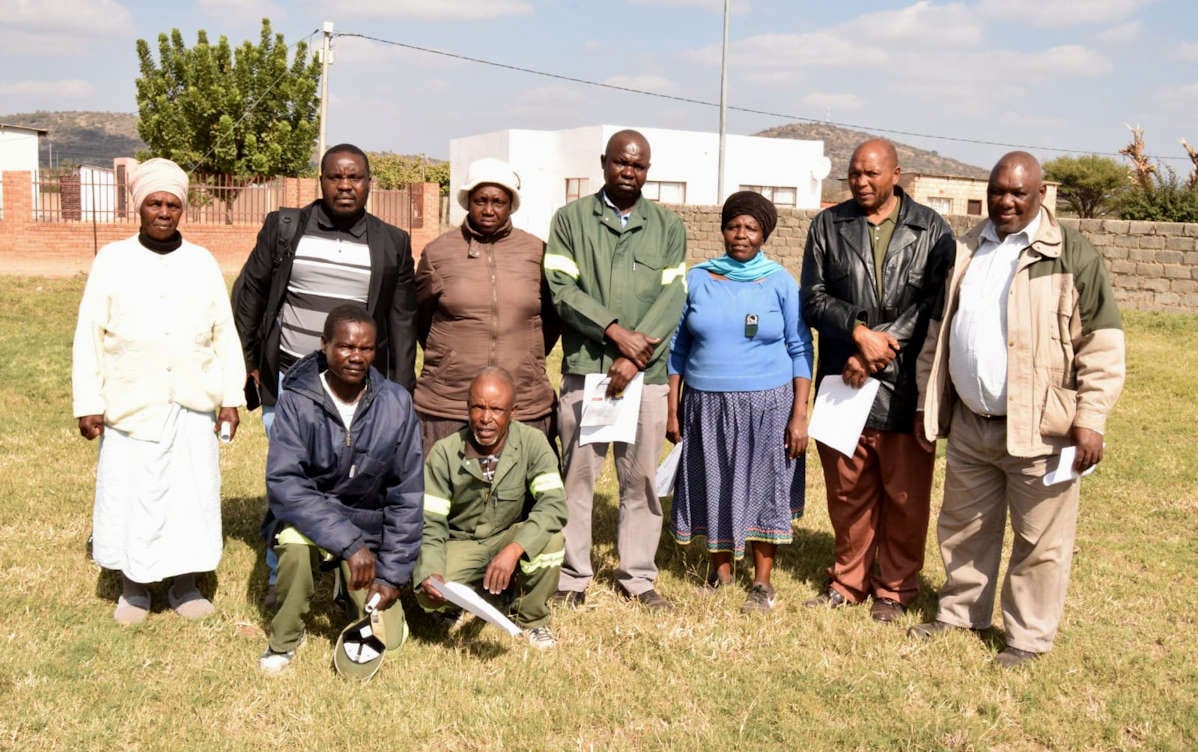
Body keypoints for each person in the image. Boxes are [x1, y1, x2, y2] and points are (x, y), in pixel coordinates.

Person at [908, 152, 1125, 667]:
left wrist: (1090, 420)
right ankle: (961, 613)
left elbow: (1101, 344)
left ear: (1040, 194)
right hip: (970, 424)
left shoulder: (1072, 255)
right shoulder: (966, 248)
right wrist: (925, 402)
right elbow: (939, 332)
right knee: (963, 527)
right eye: (998, 190)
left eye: (1018, 193)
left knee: (1040, 541)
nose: (1005, 201)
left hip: (1043, 431)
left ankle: (1026, 638)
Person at [232, 143, 418, 604]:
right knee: (291, 475)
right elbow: (250, 295)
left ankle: (347, 566)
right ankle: (282, 572)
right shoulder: (285, 228)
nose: (345, 186)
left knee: (356, 479)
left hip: (357, 385)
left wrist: (401, 390)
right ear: (322, 181)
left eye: (355, 178)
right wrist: (249, 361)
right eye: (336, 177)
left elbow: (401, 321)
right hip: (292, 383)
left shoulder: (391, 242)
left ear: (370, 183)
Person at [72, 157, 245, 625]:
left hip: (191, 404)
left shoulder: (202, 263)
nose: (164, 212)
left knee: (190, 494)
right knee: (132, 493)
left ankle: (185, 584)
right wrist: (88, 402)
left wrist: (230, 397)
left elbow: (224, 334)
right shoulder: (113, 260)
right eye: (155, 203)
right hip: (131, 403)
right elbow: (89, 333)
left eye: (172, 204)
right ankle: (134, 586)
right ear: (139, 207)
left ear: (182, 209)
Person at [800, 139, 955, 622]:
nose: (861, 183)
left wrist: (876, 350)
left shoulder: (932, 230)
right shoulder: (828, 225)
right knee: (847, 491)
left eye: (872, 174)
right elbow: (813, 298)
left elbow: (934, 305)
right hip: (841, 383)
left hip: (906, 384)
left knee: (905, 495)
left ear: (896, 174)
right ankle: (848, 581)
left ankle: (894, 588)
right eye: (854, 175)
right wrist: (858, 332)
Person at [543, 129, 687, 610]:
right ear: (604, 163)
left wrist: (632, 353)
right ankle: (571, 575)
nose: (630, 171)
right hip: (588, 371)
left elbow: (673, 298)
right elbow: (561, 289)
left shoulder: (667, 226)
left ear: (648, 170)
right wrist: (613, 332)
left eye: (639, 165)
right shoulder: (571, 220)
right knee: (578, 476)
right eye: (622, 163)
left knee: (641, 479)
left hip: (644, 377)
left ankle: (638, 578)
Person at [666, 191, 813, 614]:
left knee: (764, 487)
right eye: (733, 226)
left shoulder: (780, 282)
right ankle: (720, 573)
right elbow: (678, 348)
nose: (741, 235)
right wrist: (672, 406)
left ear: (764, 233)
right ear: (723, 230)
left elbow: (801, 348)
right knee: (715, 482)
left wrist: (799, 413)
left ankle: (762, 583)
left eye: (751, 228)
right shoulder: (698, 278)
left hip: (768, 405)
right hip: (705, 404)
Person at [258, 305, 423, 675]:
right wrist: (350, 545)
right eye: (346, 347)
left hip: (369, 525)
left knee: (390, 643)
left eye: (365, 349)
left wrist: (392, 576)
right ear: (324, 345)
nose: (356, 357)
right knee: (296, 550)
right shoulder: (297, 400)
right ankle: (285, 640)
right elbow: (286, 484)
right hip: (314, 521)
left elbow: (407, 495)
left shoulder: (396, 403)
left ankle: (343, 588)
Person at [415, 368, 567, 649]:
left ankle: (530, 617)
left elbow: (554, 504)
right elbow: (430, 523)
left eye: (496, 409)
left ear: (513, 411)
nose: (486, 418)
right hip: (462, 543)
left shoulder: (533, 443)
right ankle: (463, 602)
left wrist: (514, 549)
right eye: (478, 407)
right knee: (427, 596)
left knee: (552, 541)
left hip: (509, 536)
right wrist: (431, 571)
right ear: (467, 408)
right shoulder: (444, 452)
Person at [414, 158, 558, 454]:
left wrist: (528, 357)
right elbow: (420, 317)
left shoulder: (536, 252)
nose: (489, 209)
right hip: (449, 400)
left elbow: (552, 318)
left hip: (524, 397)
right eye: (481, 200)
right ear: (468, 201)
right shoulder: (439, 252)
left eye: (498, 202)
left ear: (510, 205)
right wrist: (450, 357)